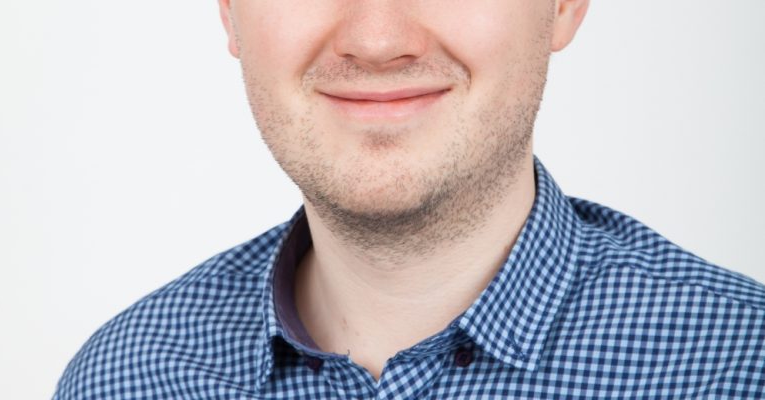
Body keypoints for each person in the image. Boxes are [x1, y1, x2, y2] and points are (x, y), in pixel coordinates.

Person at [54, 1, 765, 398]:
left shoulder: (741, 367)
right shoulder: (121, 379)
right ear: (230, 12)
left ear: (563, 5)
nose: (377, 40)